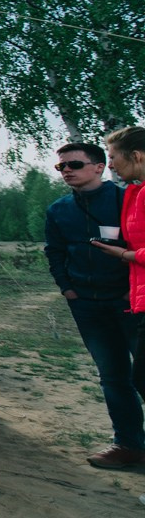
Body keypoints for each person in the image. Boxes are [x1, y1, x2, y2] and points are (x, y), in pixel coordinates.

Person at [44, 141, 140, 468]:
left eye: (74, 164)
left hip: (129, 303)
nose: (67, 171)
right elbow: (54, 251)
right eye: (61, 166)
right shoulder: (59, 210)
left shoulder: (126, 199)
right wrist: (67, 288)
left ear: (99, 167)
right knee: (112, 376)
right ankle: (128, 445)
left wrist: (131, 290)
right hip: (86, 304)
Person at [92, 127, 145, 499]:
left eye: (112, 157)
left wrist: (126, 255)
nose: (110, 165)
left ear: (136, 155)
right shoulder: (134, 193)